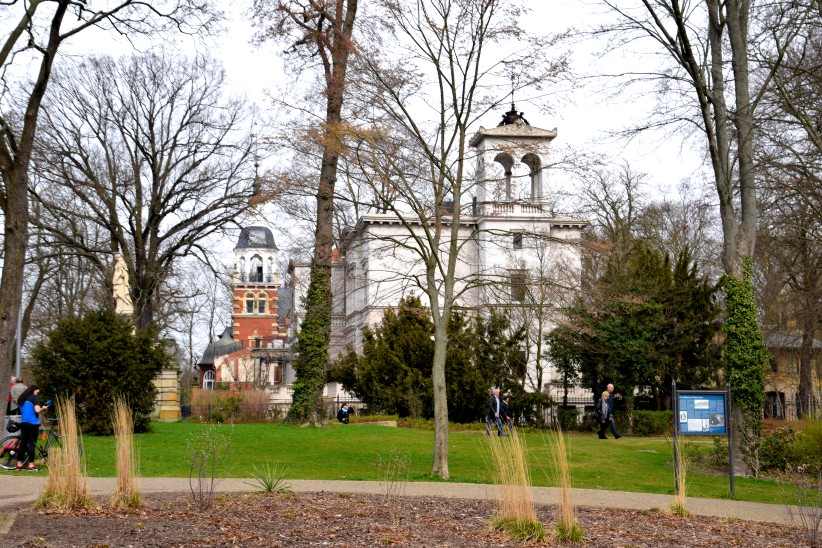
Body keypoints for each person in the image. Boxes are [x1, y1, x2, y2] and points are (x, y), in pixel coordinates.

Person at [14, 385, 50, 471]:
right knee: (31, 444)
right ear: (34, 390)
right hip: (33, 424)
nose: (38, 393)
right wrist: (43, 408)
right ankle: (31, 465)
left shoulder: (22, 399)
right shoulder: (34, 398)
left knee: (23, 444)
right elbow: (37, 410)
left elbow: (25, 411)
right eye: (38, 391)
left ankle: (19, 464)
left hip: (24, 423)